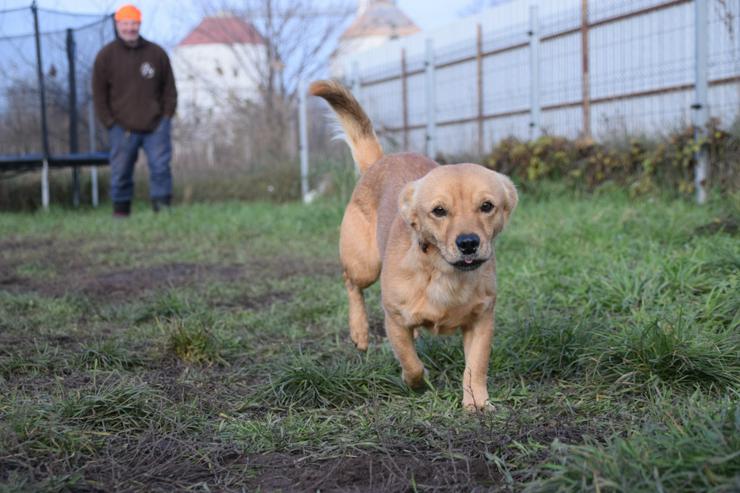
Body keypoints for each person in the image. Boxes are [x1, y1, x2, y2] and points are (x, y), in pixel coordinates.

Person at [93, 4, 177, 217]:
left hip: (156, 126)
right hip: (121, 128)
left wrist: (166, 117)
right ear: (117, 25)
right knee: (121, 172)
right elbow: (99, 95)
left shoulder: (156, 53)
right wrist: (110, 123)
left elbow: (169, 89)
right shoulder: (106, 56)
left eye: (133, 23)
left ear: (139, 24)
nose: (130, 28)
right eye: (125, 23)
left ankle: (163, 211)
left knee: (160, 169)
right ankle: (121, 214)